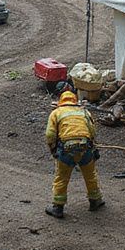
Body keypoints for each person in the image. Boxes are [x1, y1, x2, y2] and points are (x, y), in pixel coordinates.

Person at [44, 82, 104, 219]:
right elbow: (92, 131)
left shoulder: (56, 113)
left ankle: (58, 208)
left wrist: (53, 150)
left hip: (66, 149)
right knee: (90, 175)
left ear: (60, 98)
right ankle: (95, 201)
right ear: (74, 97)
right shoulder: (84, 111)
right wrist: (94, 148)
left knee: (61, 178)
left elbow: (50, 135)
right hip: (86, 148)